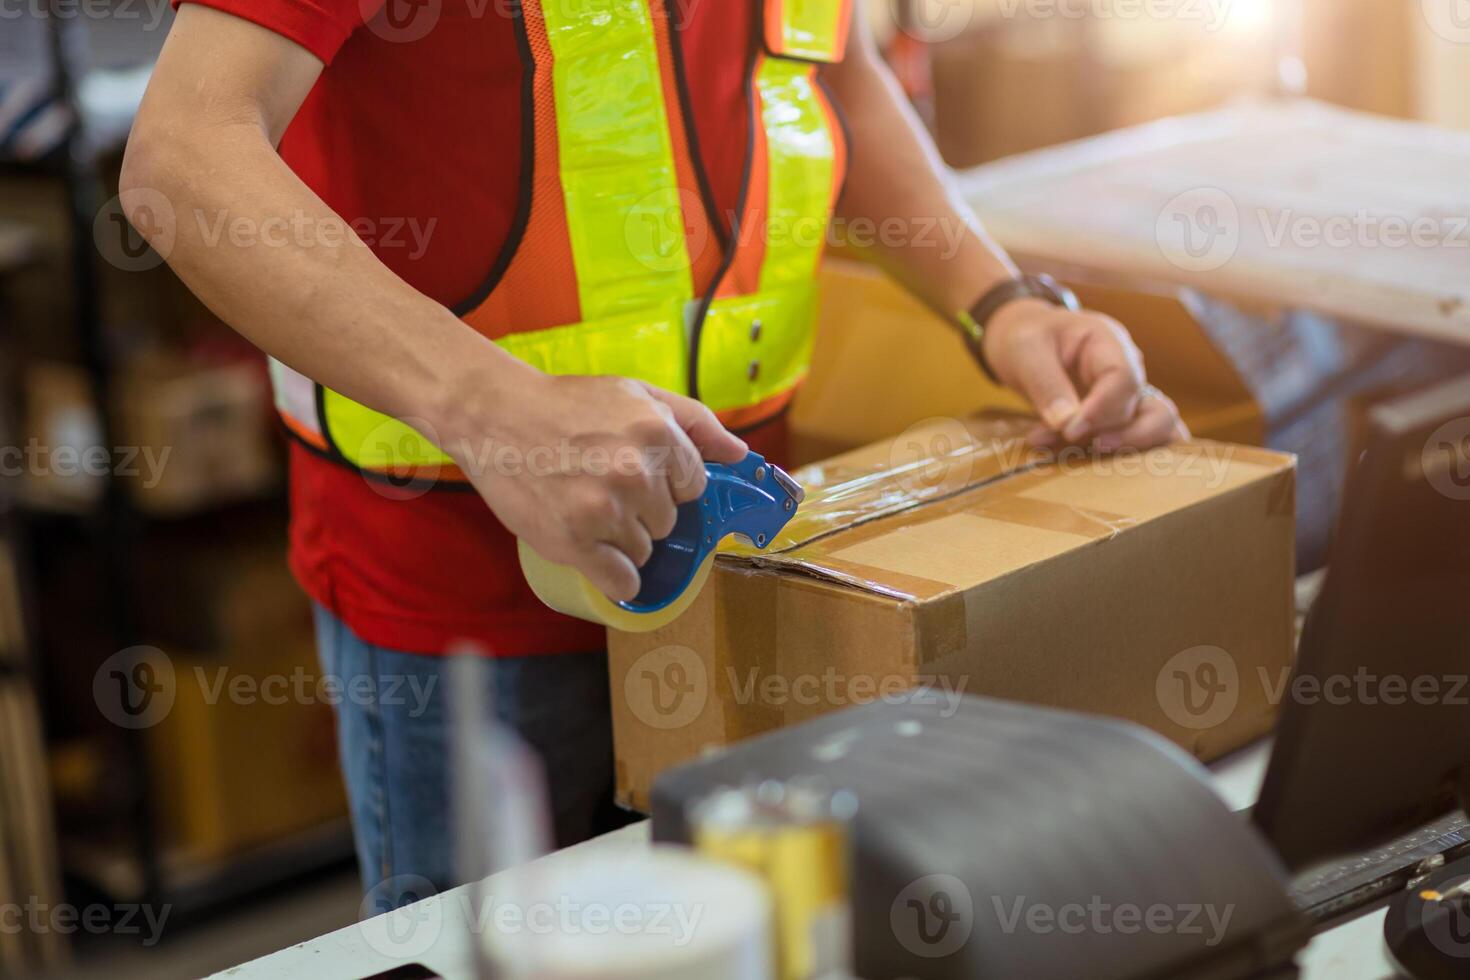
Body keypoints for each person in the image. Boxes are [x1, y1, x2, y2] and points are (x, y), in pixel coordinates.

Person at [121, 0, 1186, 902]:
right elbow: (185, 156)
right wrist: (497, 411)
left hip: (753, 549)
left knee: (766, 933)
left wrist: (1000, 304)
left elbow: (833, 70)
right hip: (469, 599)